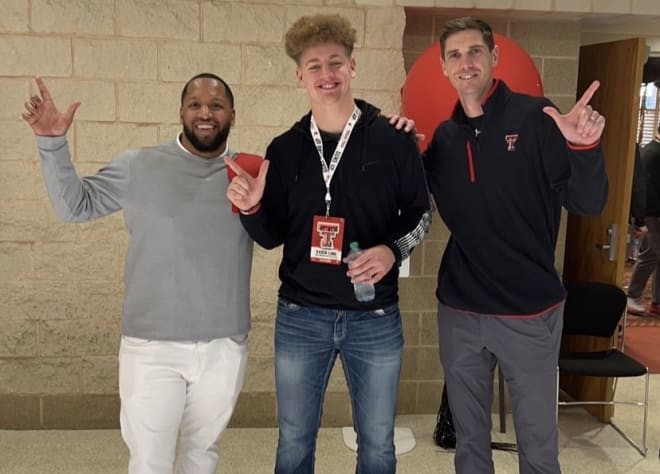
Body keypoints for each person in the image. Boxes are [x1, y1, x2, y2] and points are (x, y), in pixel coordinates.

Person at [224, 13, 431, 474]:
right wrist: (253, 208)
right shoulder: (285, 149)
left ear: (352, 67)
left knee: (377, 445)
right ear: (300, 76)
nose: (326, 74)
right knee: (295, 442)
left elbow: (422, 216)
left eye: (335, 62)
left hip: (375, 317)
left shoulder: (393, 140)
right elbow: (272, 237)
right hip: (301, 317)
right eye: (314, 66)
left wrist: (391, 251)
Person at [22, 73, 256, 474]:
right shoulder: (139, 165)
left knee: (203, 457)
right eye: (195, 104)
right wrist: (52, 143)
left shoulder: (250, 172)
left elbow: (286, 224)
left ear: (232, 115)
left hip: (224, 346)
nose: (205, 113)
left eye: (216, 106)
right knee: (150, 462)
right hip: (151, 348)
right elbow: (74, 206)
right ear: (181, 112)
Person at [422, 17, 608, 474]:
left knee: (539, 452)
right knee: (469, 446)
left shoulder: (536, 118)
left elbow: (589, 200)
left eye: (474, 52)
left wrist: (585, 148)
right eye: (455, 55)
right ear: (444, 68)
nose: (465, 63)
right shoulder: (444, 140)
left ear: (493, 58)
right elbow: (405, 203)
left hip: (529, 313)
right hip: (461, 312)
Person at [628, 126, 660, 315]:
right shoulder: (652, 154)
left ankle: (657, 301)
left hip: (653, 212)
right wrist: (642, 219)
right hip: (652, 213)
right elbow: (646, 188)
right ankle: (632, 295)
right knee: (651, 254)